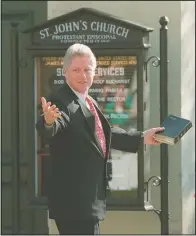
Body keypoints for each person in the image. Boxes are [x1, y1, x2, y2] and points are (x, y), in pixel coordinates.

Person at [36, 43, 164, 235]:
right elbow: (52, 128)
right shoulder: (61, 101)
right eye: (76, 70)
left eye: (87, 69)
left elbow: (103, 133)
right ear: (65, 73)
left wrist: (142, 137)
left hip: (88, 201)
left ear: (94, 72)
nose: (83, 75)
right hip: (74, 204)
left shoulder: (88, 100)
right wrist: (48, 121)